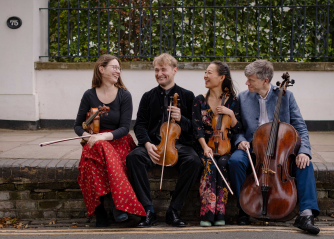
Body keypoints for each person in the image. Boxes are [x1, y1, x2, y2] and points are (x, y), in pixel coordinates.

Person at [228, 60, 320, 234]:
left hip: (280, 153)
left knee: (304, 164)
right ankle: (244, 209)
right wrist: (240, 140)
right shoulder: (243, 97)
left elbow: (300, 127)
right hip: (253, 149)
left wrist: (304, 151)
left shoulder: (286, 96)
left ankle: (306, 214)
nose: (247, 83)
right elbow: (237, 127)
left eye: (251, 80)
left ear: (265, 80)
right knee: (235, 161)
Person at [126, 53, 203, 228]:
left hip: (180, 145)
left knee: (194, 162)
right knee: (133, 158)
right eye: (156, 70)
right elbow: (140, 126)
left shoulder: (188, 96)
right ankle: (148, 211)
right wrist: (146, 143)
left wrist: (181, 118)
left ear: (174, 70)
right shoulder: (148, 96)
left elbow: (195, 128)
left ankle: (174, 210)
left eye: (164, 69)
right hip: (154, 145)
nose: (160, 73)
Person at [74, 54, 146, 227]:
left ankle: (114, 209)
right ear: (101, 69)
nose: (118, 71)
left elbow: (124, 128)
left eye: (119, 68)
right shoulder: (89, 95)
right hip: (94, 143)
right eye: (114, 67)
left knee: (103, 155)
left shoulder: (124, 95)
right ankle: (108, 211)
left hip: (118, 140)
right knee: (90, 164)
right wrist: (89, 136)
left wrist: (102, 137)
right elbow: (78, 126)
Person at [192, 61, 242, 227]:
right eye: (205, 72)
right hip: (205, 146)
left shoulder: (232, 101)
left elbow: (239, 128)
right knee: (209, 164)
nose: (205, 76)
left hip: (226, 146)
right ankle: (207, 214)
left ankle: (220, 212)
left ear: (221, 77)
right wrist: (205, 147)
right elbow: (197, 128)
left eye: (209, 72)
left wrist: (231, 115)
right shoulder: (199, 100)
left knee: (222, 163)